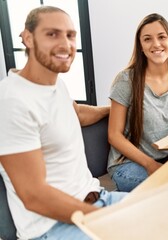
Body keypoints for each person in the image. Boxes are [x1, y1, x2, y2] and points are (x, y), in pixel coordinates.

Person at [0, 6, 127, 239]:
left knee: (167, 212)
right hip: (51, 227)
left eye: (70, 35)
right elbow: (33, 195)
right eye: (52, 34)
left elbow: (76, 113)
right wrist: (99, 220)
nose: (66, 44)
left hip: (97, 199)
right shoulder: (12, 101)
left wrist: (113, 109)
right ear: (28, 38)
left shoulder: (55, 84)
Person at [107, 13, 168, 192]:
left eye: (162, 37)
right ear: (140, 46)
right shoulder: (126, 80)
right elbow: (114, 135)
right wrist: (150, 165)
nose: (156, 44)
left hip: (167, 159)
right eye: (147, 39)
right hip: (128, 164)